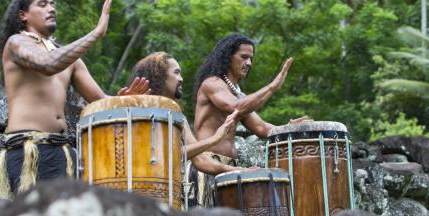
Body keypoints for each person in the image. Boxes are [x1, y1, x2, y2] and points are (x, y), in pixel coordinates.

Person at [0, 0, 149, 199]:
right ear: (23, 15)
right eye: (42, 4)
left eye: (52, 4)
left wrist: (127, 99)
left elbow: (101, 100)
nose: (51, 8)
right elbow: (48, 64)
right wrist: (96, 34)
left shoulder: (70, 59)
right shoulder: (16, 43)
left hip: (63, 152)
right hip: (29, 150)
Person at [191, 33, 309, 206]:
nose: (249, 63)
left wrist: (288, 128)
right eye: (244, 57)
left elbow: (261, 128)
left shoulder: (239, 94)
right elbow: (236, 107)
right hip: (207, 166)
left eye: (251, 58)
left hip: (231, 168)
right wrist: (273, 87)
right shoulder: (212, 83)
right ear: (228, 57)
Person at [128, 52, 245, 207]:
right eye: (176, 72)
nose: (181, 79)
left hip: (171, 196)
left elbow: (201, 160)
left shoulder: (178, 116)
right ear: (160, 76)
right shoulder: (139, 110)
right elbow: (165, 155)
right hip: (142, 195)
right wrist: (214, 139)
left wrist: (237, 170)